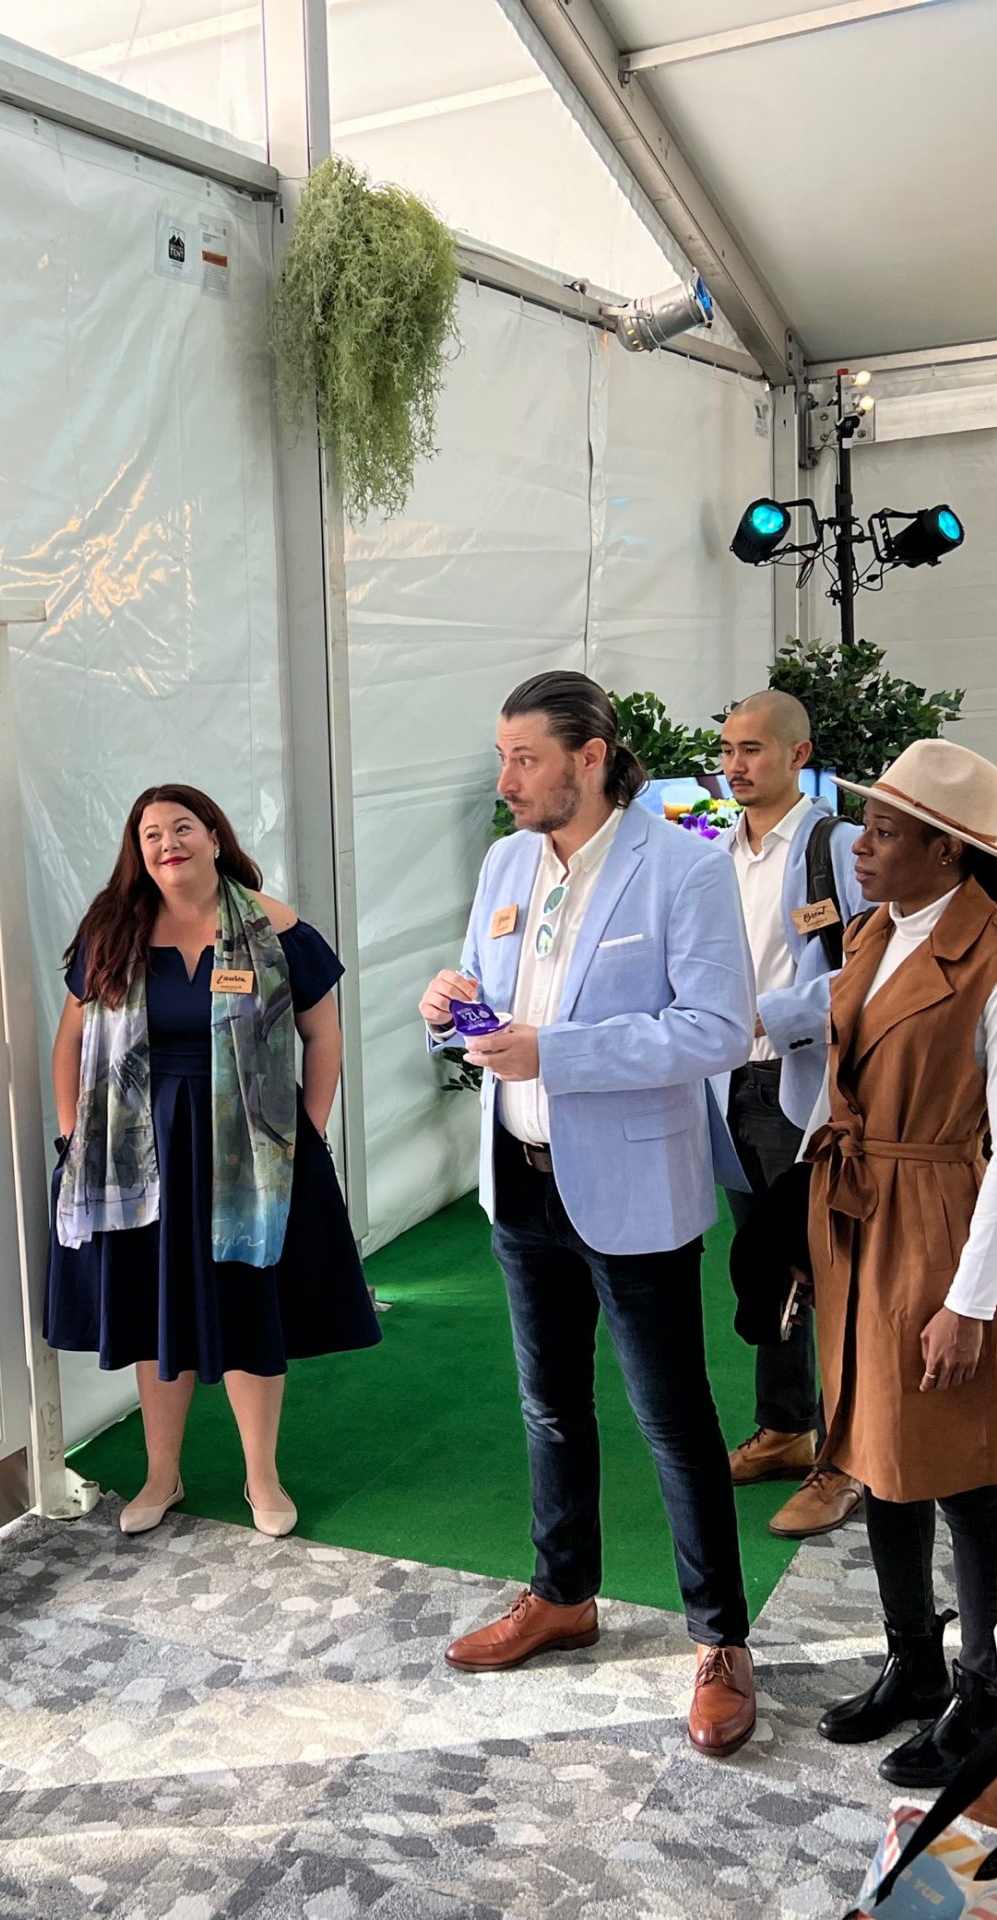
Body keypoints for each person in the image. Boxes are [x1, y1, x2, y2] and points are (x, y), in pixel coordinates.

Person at [420, 670, 761, 1760]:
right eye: (503, 757)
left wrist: (555, 1053)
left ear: (592, 755)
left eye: (525, 758)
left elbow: (716, 1028)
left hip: (634, 1186)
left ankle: (720, 1641)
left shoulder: (684, 867)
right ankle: (562, 1596)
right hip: (520, 1178)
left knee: (673, 1419)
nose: (506, 780)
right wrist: (448, 1008)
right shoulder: (505, 863)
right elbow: (487, 995)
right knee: (550, 1407)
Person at [805, 737, 997, 1790]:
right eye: (866, 825)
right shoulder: (875, 931)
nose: (860, 846)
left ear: (949, 850)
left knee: (962, 1469)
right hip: (858, 1212)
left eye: (885, 831)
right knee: (877, 1451)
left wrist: (970, 1300)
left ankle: (985, 1693)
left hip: (939, 1216)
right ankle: (912, 1661)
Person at [46, 783, 376, 1541]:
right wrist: (74, 1140)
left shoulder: (277, 928)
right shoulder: (112, 930)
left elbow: (322, 1035)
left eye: (183, 827)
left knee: (248, 1307)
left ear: (215, 837)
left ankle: (263, 1476)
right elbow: (70, 1042)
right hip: (139, 1154)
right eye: (152, 833)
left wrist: (306, 1133)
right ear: (139, 851)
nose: (168, 843)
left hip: (251, 1156)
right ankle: (162, 1476)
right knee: (153, 1311)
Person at [710, 688, 867, 1539]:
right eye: (727, 750)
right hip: (727, 1084)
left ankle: (848, 1458)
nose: (735, 766)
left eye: (753, 749)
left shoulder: (836, 847)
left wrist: (776, 1016)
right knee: (767, 1267)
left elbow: (874, 965)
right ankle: (783, 1427)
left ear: (798, 756)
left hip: (802, 1082)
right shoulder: (714, 857)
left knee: (830, 1272)